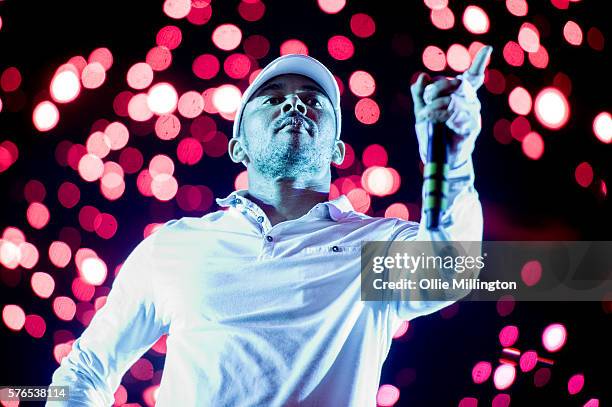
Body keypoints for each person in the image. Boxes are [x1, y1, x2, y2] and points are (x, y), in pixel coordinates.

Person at [47, 47, 491, 406]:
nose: (294, 102)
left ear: (337, 150)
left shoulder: (374, 246)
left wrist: (451, 161)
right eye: (273, 97)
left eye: (313, 99)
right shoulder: (173, 247)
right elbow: (83, 370)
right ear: (238, 147)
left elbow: (452, 269)